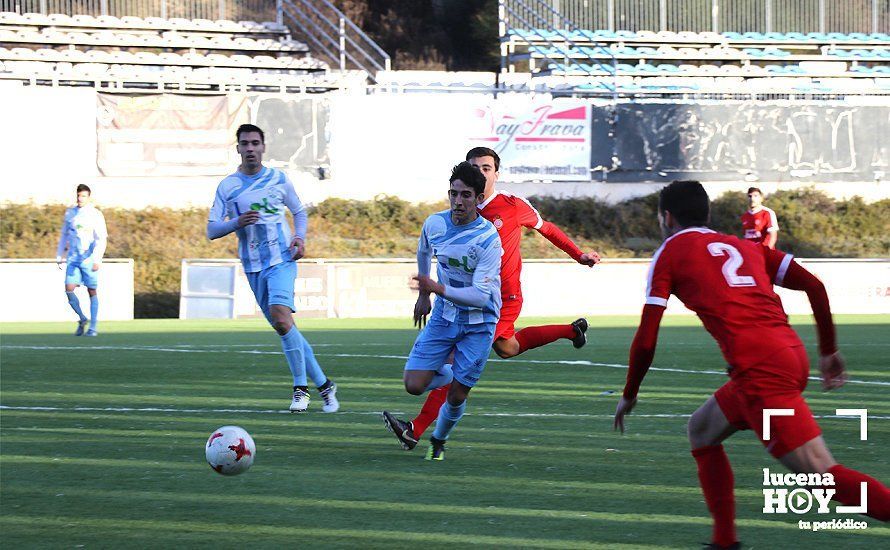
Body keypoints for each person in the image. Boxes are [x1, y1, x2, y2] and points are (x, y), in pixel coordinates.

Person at [613, 180, 889, 548]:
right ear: (707, 214)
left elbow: (647, 337)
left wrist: (630, 393)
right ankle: (724, 541)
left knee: (820, 474)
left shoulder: (669, 253)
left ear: (666, 217)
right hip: (786, 355)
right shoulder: (744, 245)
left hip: (761, 369)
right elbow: (815, 286)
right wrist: (828, 350)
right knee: (702, 430)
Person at [383, 147, 601, 451]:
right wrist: (427, 290)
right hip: (457, 304)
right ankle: (571, 330)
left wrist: (578, 254)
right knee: (508, 348)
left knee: (453, 361)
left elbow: (547, 228)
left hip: (499, 299)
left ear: (496, 174)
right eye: (475, 168)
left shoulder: (512, 206)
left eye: (487, 168)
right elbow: (429, 247)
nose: (481, 173)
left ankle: (416, 429)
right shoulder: (456, 212)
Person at [207, 123, 338, 413]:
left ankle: (300, 389)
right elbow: (211, 230)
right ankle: (325, 385)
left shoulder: (279, 179)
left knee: (281, 319)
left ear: (263, 147)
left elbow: (299, 211)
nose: (251, 148)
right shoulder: (227, 186)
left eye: (255, 143)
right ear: (238, 148)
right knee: (286, 328)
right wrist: (235, 223)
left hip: (282, 259)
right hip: (253, 267)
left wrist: (299, 237)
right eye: (245, 143)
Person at [398, 161, 502, 461]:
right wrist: (423, 295)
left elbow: (481, 297)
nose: (458, 201)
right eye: (454, 194)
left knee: (457, 395)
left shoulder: (487, 239)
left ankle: (439, 440)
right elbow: (423, 251)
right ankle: (454, 373)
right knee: (413, 385)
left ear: (479, 199)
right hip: (444, 316)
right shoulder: (434, 224)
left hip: (479, 322)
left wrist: (438, 288)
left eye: (466, 195)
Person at [56, 184, 107, 336]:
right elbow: (64, 235)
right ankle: (82, 318)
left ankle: (93, 327)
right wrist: (60, 256)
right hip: (73, 258)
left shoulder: (95, 214)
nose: (80, 198)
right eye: (78, 195)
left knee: (92, 291)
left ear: (88, 197)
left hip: (89, 258)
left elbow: (101, 238)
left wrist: (97, 259)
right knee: (69, 290)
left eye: (83, 196)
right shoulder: (70, 213)